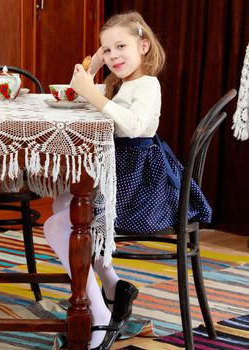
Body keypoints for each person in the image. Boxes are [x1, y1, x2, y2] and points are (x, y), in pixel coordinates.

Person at [45, 11, 212, 350]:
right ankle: (113, 286)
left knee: (56, 226)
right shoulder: (120, 85)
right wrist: (91, 72)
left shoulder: (148, 84)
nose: (113, 55)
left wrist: (93, 94)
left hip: (140, 189)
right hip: (119, 177)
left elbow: (134, 126)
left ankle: (99, 317)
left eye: (121, 46)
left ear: (144, 46)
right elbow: (77, 100)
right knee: (63, 202)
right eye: (106, 50)